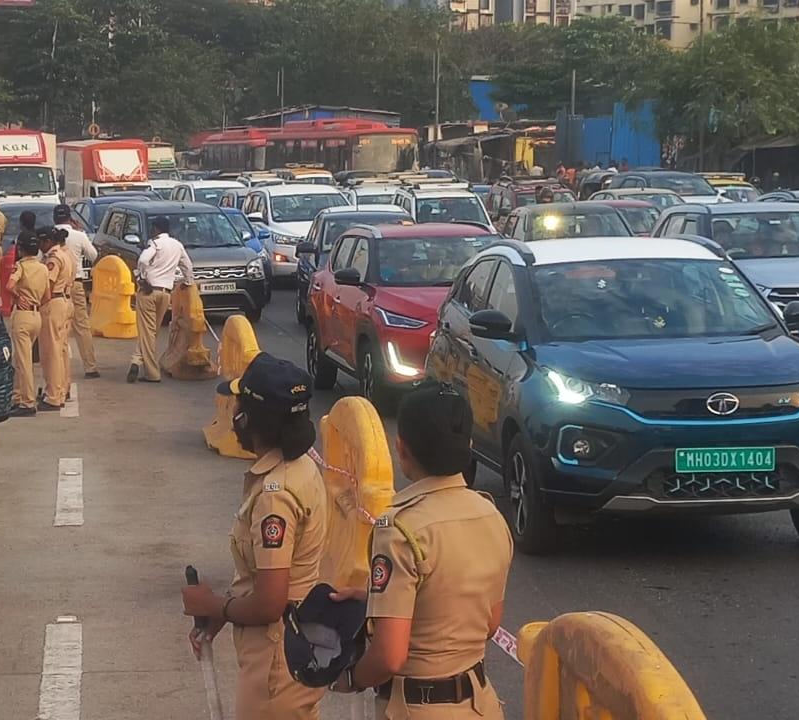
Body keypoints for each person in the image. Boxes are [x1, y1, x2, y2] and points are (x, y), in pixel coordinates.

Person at [329, 387, 512, 720]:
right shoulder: (491, 515)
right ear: (468, 445)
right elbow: (489, 623)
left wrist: (350, 679)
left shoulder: (400, 529)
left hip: (418, 708)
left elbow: (389, 656)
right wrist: (376, 600)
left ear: (402, 448)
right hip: (480, 704)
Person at [181, 352, 329, 720]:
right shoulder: (300, 466)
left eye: (239, 404)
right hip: (296, 646)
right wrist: (228, 609)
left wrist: (213, 606)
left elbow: (269, 603)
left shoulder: (275, 495)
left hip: (276, 662)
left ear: (249, 418)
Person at [127, 216, 193, 384]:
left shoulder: (155, 244)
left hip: (149, 291)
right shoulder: (177, 245)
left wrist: (141, 277)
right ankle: (136, 360)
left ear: (156, 229)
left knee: (146, 332)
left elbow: (142, 259)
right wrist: (188, 282)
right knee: (152, 331)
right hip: (166, 293)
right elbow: (188, 266)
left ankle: (151, 373)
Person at [6, 224, 49, 416]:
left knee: (23, 362)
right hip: (36, 314)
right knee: (23, 359)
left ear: (21, 249)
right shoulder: (43, 268)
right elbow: (47, 296)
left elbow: (9, 285)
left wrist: (18, 296)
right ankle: (18, 396)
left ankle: (27, 402)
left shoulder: (21, 266)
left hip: (22, 315)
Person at [55, 205, 100, 379]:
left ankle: (59, 367)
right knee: (82, 326)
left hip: (55, 287)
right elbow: (93, 256)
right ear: (70, 218)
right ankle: (90, 367)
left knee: (57, 328)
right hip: (76, 283)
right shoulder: (79, 235)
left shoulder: (48, 235)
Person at [37, 226, 75, 412]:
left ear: (48, 242)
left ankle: (53, 396)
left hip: (54, 303)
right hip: (66, 300)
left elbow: (47, 286)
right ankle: (62, 388)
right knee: (60, 350)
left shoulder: (53, 258)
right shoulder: (66, 254)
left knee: (51, 352)